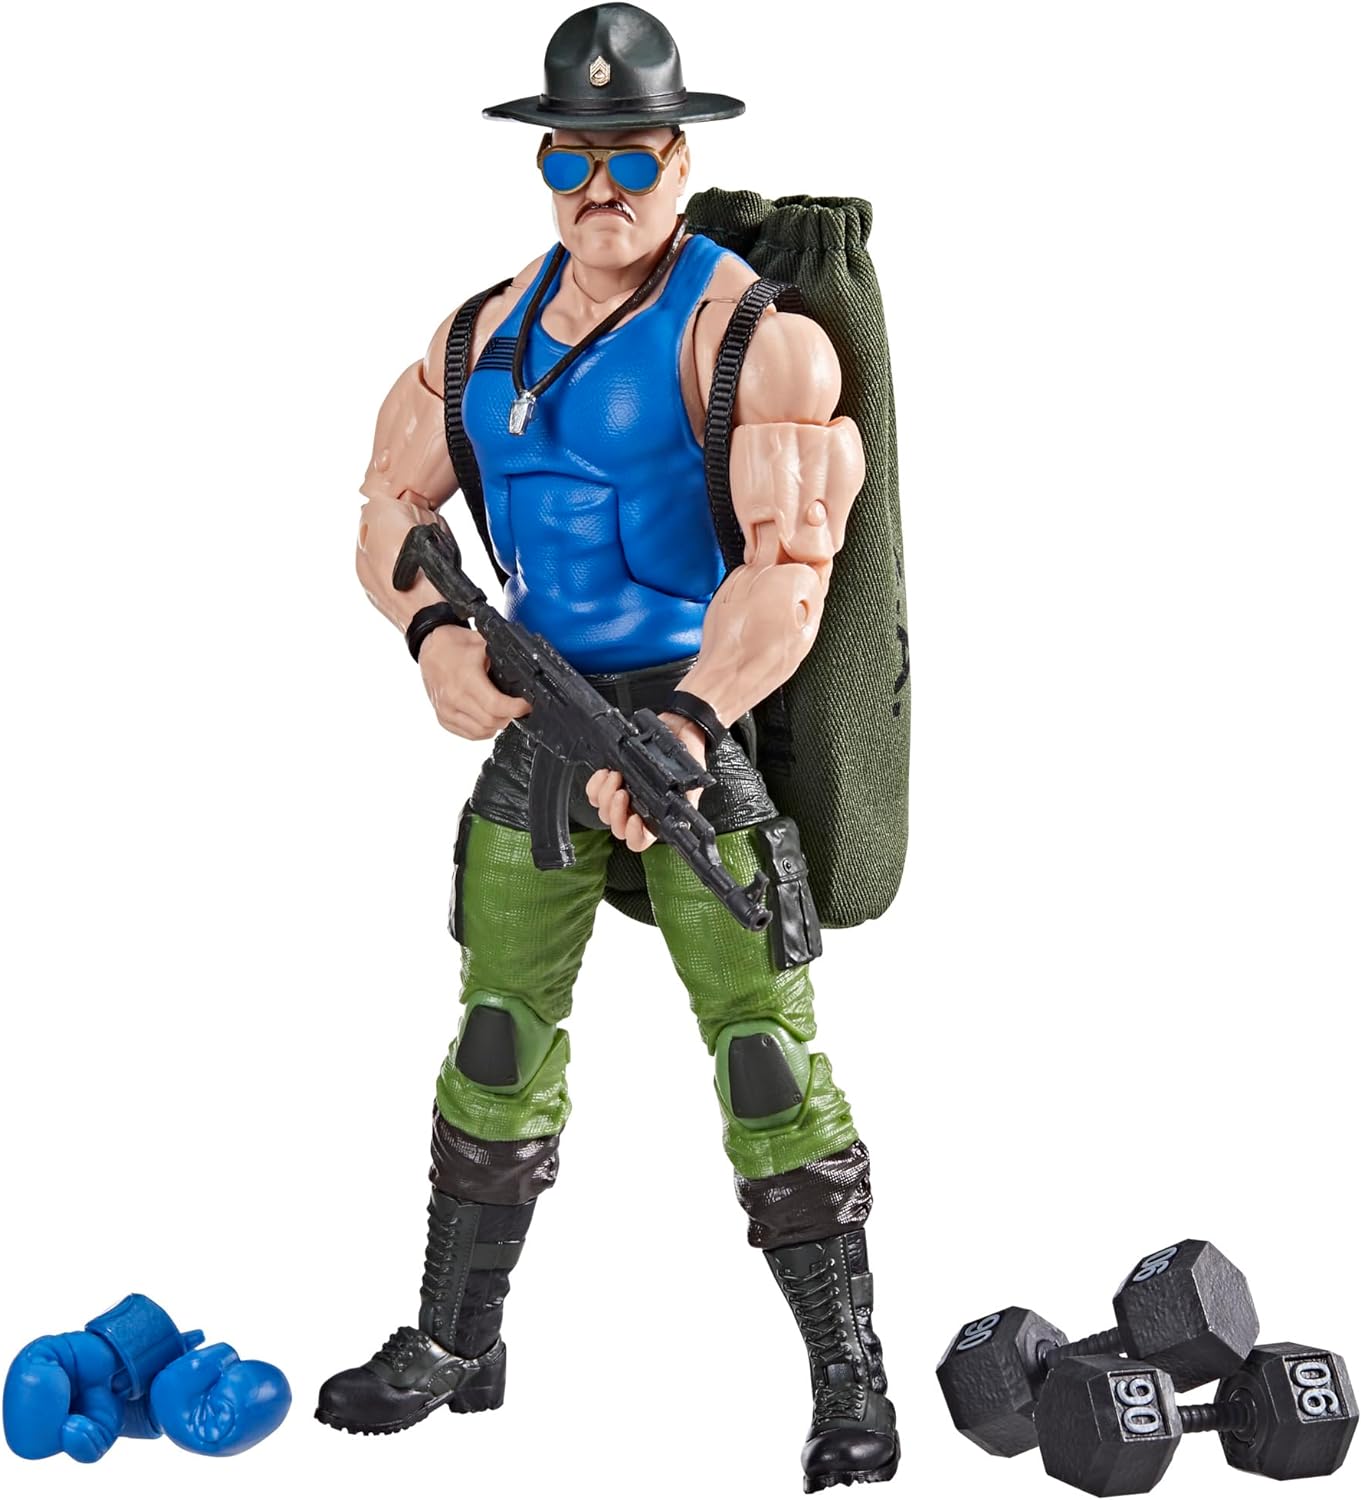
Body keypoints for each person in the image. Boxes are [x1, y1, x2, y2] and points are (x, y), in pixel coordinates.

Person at [317, 6, 898, 1490]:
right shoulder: (476, 339)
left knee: (764, 1058)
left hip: (687, 728)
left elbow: (790, 572)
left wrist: (692, 724)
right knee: (496, 1033)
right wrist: (431, 636)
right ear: (543, 164)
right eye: (571, 158)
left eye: (630, 157)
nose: (600, 189)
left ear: (680, 159)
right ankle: (457, 1340)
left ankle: (850, 1378)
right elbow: (384, 508)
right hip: (538, 725)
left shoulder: (750, 339)